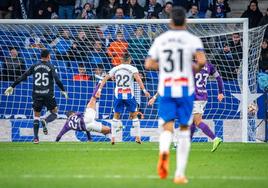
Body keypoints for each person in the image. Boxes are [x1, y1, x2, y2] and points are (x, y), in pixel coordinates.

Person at [144, 6, 206, 184]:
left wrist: (163, 66)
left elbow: (148, 64)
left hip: (166, 88)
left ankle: (164, 152)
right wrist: (192, 67)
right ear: (185, 21)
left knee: (167, 127)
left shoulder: (161, 39)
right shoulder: (193, 39)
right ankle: (179, 174)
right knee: (185, 129)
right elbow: (201, 61)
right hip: (185, 89)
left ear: (170, 21)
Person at [149, 62, 224, 152]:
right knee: (192, 122)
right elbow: (219, 78)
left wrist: (155, 97)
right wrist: (220, 92)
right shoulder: (209, 65)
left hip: (194, 98)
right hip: (203, 97)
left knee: (197, 121)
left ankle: (215, 138)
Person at [4, 49, 68, 144]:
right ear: (49, 56)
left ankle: (36, 138)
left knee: (36, 116)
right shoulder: (51, 66)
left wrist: (12, 86)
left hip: (37, 95)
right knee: (54, 112)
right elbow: (57, 80)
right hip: (48, 95)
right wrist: (63, 90)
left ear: (40, 56)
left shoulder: (34, 66)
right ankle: (45, 121)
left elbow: (24, 76)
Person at [96, 52, 150, 145]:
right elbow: (138, 79)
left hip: (118, 95)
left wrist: (99, 90)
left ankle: (113, 138)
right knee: (134, 116)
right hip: (129, 94)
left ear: (121, 60)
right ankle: (137, 137)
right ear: (130, 60)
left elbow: (104, 78)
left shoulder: (116, 68)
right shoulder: (132, 68)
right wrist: (144, 90)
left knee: (116, 116)